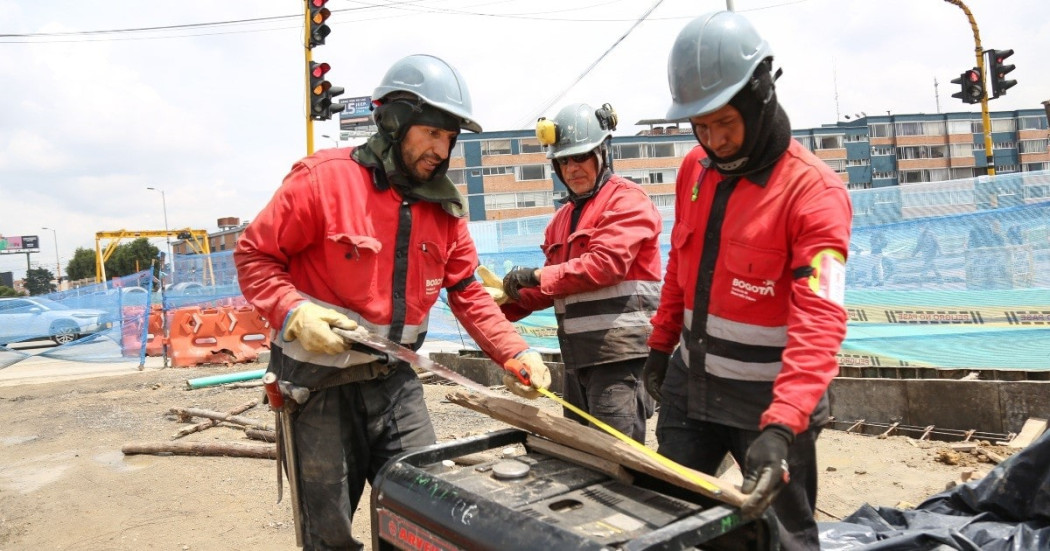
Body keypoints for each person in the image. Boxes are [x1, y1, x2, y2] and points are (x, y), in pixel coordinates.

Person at [234, 54, 551, 551]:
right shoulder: (323, 181)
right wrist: (293, 312)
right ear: (395, 119)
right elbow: (255, 255)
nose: (441, 150)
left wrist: (513, 351)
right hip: (317, 389)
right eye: (431, 133)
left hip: (394, 384)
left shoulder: (444, 210)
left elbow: (466, 289)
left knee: (425, 514)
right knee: (329, 533)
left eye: (449, 138)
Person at [642, 12, 851, 551]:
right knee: (667, 518)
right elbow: (681, 268)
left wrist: (782, 426)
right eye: (700, 127)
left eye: (725, 124)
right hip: (693, 387)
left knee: (785, 537)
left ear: (760, 97)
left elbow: (821, 319)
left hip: (770, 403)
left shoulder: (814, 194)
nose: (714, 140)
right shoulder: (696, 169)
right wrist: (660, 348)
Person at [485, 102, 663, 443]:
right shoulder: (561, 220)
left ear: (602, 153)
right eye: (563, 160)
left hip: (620, 358)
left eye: (580, 157)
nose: (572, 168)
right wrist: (497, 304)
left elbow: (605, 266)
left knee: (616, 459)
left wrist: (533, 276)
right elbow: (555, 285)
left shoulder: (627, 201)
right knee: (583, 453)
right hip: (577, 359)